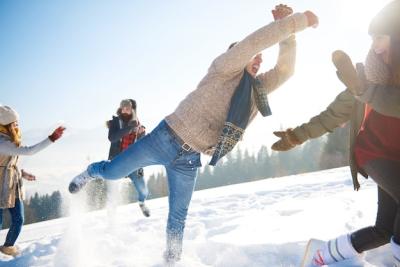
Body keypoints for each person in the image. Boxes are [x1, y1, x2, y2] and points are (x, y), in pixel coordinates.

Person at [68, 4, 319, 263]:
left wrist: (290, 35)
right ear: (238, 56)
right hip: (163, 139)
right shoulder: (224, 67)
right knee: (112, 173)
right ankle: (92, 171)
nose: (258, 59)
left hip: (189, 161)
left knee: (178, 217)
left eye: (260, 59)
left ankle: (171, 260)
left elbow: (286, 71)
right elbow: (255, 42)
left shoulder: (256, 91)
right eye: (253, 56)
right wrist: (295, 22)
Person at [271, 1, 400, 265]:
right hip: (374, 152)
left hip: (397, 158)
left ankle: (322, 254)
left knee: (385, 230)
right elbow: (332, 116)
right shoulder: (363, 77)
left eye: (381, 37)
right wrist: (297, 135)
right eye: (372, 38)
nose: (375, 45)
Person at [0, 105, 65, 256]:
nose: (17, 126)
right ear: (5, 125)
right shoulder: (2, 142)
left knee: (19, 219)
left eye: (17, 123)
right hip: (1, 186)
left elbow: (8, 164)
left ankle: (8, 246)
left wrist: (23, 173)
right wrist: (52, 138)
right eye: (14, 123)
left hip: (11, 185)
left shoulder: (9, 140)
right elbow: (29, 151)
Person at [106, 99, 149, 217]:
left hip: (133, 163)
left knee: (143, 190)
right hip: (117, 161)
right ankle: (111, 215)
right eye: (123, 107)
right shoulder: (115, 122)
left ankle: (142, 202)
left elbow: (141, 144)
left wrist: (141, 134)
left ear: (132, 110)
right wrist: (128, 128)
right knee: (113, 191)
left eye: (128, 108)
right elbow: (112, 138)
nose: (124, 110)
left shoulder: (138, 124)